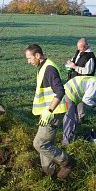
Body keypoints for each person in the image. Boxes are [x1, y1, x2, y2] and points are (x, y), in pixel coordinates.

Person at [25, 44, 75, 180]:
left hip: (51, 113)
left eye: (29, 58)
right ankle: (51, 174)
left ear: (37, 55)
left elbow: (60, 91)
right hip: (47, 113)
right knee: (46, 144)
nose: (28, 61)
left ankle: (67, 162)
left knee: (39, 143)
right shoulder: (43, 67)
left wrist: (49, 111)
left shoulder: (49, 69)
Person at [63, 76, 96, 145]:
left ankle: (71, 137)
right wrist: (95, 104)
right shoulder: (95, 84)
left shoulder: (95, 79)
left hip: (69, 92)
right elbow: (86, 99)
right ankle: (66, 143)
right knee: (70, 119)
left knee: (74, 118)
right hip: (68, 94)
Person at [66, 38, 96, 123]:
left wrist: (74, 67)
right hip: (74, 80)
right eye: (78, 47)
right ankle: (73, 115)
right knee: (73, 97)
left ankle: (81, 118)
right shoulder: (79, 52)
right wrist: (70, 62)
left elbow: (88, 71)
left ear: (86, 46)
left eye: (80, 47)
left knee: (80, 99)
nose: (78, 49)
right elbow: (75, 60)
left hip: (83, 82)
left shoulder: (90, 56)